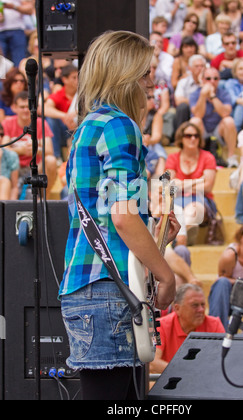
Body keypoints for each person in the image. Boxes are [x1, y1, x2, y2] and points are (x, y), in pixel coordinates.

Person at [59, 30, 179, 401]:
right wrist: (166, 274)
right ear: (125, 74)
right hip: (108, 292)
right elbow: (124, 217)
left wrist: (159, 239)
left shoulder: (88, 127)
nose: (151, 82)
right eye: (145, 73)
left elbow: (107, 220)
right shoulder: (119, 126)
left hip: (87, 288)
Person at [150, 284, 225, 373]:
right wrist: (186, 372)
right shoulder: (161, 325)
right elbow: (152, 363)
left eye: (203, 305)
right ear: (177, 309)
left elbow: (223, 361)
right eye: (195, 305)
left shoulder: (214, 324)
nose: (201, 309)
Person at [165, 121, 217, 242]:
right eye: (188, 136)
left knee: (193, 209)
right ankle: (184, 237)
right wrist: (198, 181)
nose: (193, 138)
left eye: (196, 136)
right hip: (177, 199)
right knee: (177, 209)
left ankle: (180, 239)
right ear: (181, 138)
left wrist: (180, 184)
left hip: (201, 200)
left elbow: (208, 187)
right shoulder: (173, 158)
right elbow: (169, 186)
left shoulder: (208, 157)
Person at [2, 91, 57, 200]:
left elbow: (50, 150)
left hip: (35, 167)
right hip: (14, 168)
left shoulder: (41, 123)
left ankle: (44, 199)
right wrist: (21, 150)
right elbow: (3, 148)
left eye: (28, 107)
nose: (25, 110)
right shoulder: (7, 123)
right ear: (14, 108)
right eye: (22, 107)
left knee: (51, 160)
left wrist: (35, 148)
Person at [190, 66, 238, 168]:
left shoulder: (224, 93)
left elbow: (225, 113)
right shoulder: (195, 94)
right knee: (195, 121)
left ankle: (231, 157)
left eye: (215, 78)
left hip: (219, 131)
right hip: (202, 132)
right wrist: (203, 95)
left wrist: (212, 96)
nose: (212, 81)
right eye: (208, 78)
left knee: (229, 121)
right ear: (202, 80)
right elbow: (198, 114)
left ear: (219, 80)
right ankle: (194, 157)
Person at [44, 64, 78, 160]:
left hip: (78, 128)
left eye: (79, 77)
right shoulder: (60, 94)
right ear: (64, 79)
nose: (77, 80)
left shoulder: (83, 94)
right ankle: (57, 157)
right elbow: (45, 108)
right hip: (63, 131)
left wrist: (74, 114)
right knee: (51, 119)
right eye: (74, 78)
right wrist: (65, 116)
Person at [173, 53, 206, 132]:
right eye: (197, 66)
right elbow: (178, 100)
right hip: (189, 113)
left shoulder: (210, 81)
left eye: (202, 66)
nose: (200, 68)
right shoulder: (183, 82)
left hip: (205, 113)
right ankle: (180, 136)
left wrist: (202, 84)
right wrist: (195, 103)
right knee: (182, 107)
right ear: (190, 68)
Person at [0, 0, 34, 67]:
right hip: (1, 33)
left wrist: (13, 7)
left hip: (17, 31)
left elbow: (30, 10)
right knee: (1, 68)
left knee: (20, 63)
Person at [0, 122, 19, 199]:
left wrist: (11, 208)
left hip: (4, 195)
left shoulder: (11, 156)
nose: (0, 138)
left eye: (1, 135)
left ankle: (4, 211)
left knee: (5, 182)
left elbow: (14, 187)